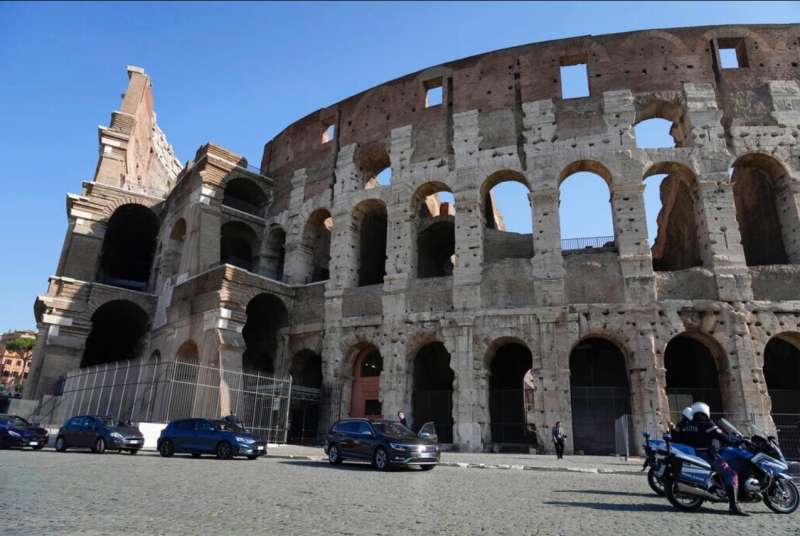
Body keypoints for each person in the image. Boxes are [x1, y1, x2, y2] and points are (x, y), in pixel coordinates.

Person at [682, 402, 747, 516]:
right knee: (731, 474)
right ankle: (734, 506)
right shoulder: (707, 424)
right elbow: (724, 438)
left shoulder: (687, 425)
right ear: (705, 412)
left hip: (692, 454)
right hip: (706, 454)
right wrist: (737, 440)